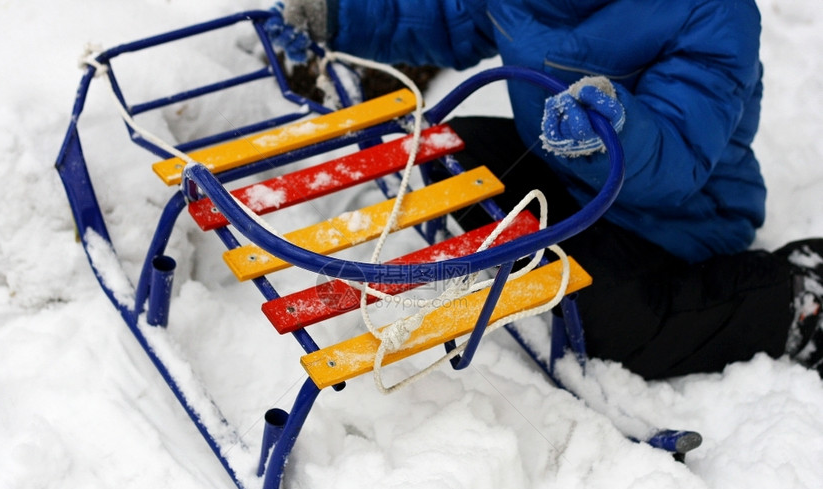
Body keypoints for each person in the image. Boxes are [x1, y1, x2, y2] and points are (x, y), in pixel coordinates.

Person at [267, 0, 823, 380]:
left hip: (671, 222)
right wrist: (338, 17)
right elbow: (442, 15)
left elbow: (679, 153)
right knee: (449, 151)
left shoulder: (710, 14)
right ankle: (548, 257)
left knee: (621, 331)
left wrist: (612, 133)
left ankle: (788, 299)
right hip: (562, 175)